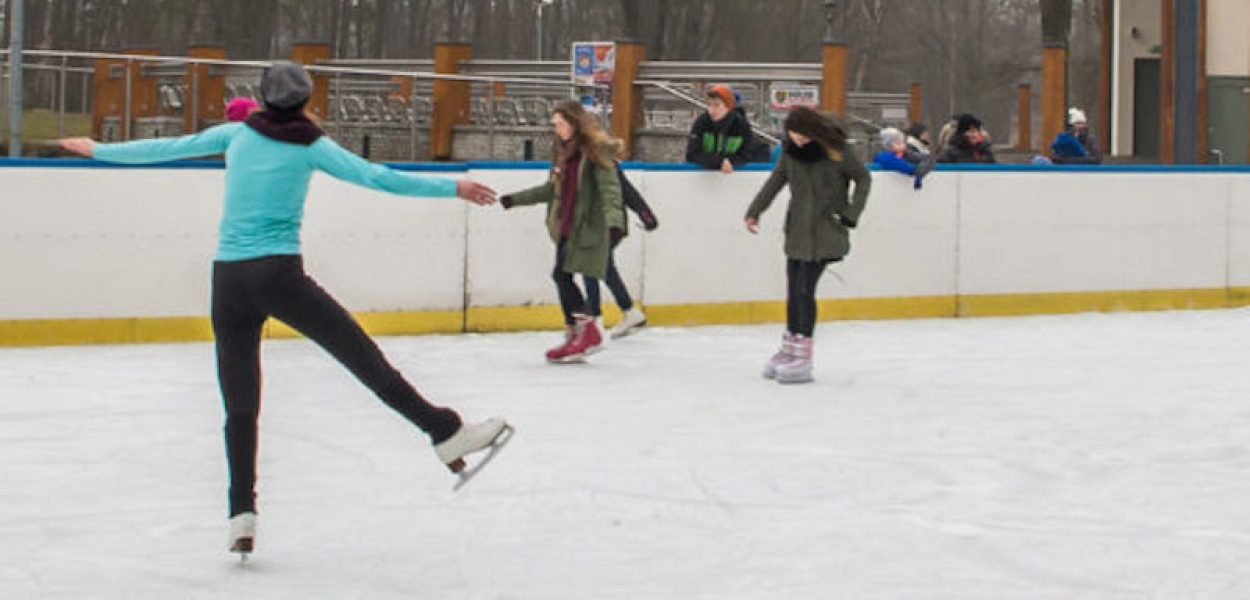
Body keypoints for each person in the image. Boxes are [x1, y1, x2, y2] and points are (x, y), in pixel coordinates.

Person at [58, 62, 510, 557]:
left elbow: (165, 148)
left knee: (240, 404)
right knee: (361, 355)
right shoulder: (311, 144)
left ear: (263, 97)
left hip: (228, 282)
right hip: (278, 276)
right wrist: (453, 187)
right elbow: (377, 177)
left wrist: (98, 149)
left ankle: (241, 513)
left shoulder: (237, 134)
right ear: (304, 100)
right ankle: (443, 431)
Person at [745, 107, 871, 384]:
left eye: (803, 135)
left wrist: (851, 214)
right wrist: (755, 211)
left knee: (804, 289)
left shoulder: (836, 150)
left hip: (826, 231)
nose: (799, 139)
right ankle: (790, 347)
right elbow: (776, 181)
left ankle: (803, 355)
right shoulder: (790, 151)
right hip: (798, 230)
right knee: (793, 289)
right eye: (794, 134)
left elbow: (863, 177)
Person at [501, 100, 625, 363]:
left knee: (561, 275)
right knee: (561, 275)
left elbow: (610, 189)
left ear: (574, 123)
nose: (556, 129)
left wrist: (614, 221)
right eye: (554, 124)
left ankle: (588, 330)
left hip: (586, 227)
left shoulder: (594, 152)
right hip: (565, 225)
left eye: (560, 124)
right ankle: (575, 333)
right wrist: (516, 199)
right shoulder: (563, 153)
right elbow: (552, 190)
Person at [581, 164, 658, 339]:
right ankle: (628, 312)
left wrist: (645, 214)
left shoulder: (601, 161)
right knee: (602, 266)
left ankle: (595, 319)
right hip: (597, 224)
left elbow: (626, 190)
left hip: (608, 224)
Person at [685, 84, 770, 174]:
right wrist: (719, 161)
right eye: (709, 105)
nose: (711, 110)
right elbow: (692, 153)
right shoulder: (701, 123)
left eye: (716, 105)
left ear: (728, 107)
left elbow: (748, 153)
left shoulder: (741, 125)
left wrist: (731, 162)